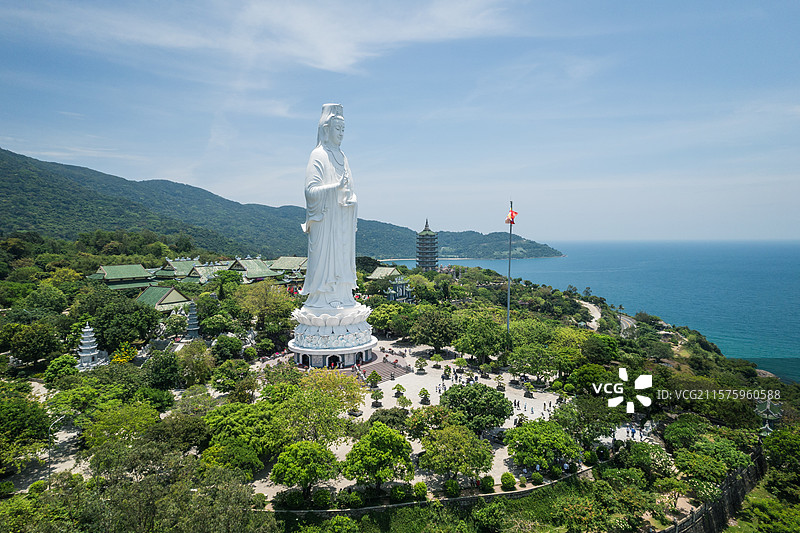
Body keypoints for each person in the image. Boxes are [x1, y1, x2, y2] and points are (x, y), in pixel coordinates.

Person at [300, 104, 358, 309]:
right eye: (337, 128)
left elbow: (349, 189)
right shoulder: (318, 155)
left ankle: (343, 295)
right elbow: (310, 191)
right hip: (325, 221)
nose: (341, 133)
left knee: (342, 257)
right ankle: (323, 297)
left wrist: (352, 200)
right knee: (325, 259)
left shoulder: (343, 156)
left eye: (343, 129)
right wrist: (334, 188)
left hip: (342, 219)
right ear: (326, 129)